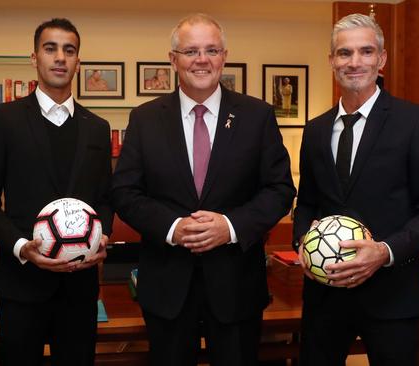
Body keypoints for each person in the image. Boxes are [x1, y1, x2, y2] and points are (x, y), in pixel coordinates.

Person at [112, 13, 295, 366]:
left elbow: (279, 190)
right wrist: (173, 228)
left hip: (237, 285)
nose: (201, 59)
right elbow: (124, 192)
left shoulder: (257, 116)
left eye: (211, 50)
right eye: (191, 50)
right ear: (173, 59)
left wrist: (228, 227)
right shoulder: (145, 118)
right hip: (166, 286)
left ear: (224, 57)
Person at [293, 14, 419, 366]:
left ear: (381, 60)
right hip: (324, 296)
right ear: (331, 60)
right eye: (344, 53)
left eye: (366, 51)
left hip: (393, 294)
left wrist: (384, 251)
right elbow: (307, 202)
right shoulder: (315, 130)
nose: (355, 62)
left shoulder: (415, 121)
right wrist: (303, 241)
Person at [0, 18, 113, 366]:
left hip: (80, 287)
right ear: (34, 57)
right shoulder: (3, 119)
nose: (60, 58)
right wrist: (23, 247)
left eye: (69, 50)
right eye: (50, 48)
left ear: (78, 62)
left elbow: (105, 198)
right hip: (21, 284)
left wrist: (102, 237)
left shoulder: (97, 128)